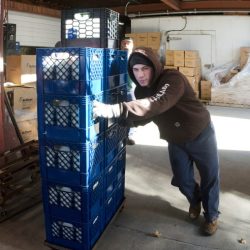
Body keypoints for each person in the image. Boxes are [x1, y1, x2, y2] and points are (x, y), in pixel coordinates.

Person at [93, 47, 220, 236]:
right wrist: (119, 121)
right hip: (175, 138)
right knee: (183, 179)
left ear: (154, 66)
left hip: (200, 132)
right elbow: (146, 116)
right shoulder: (141, 89)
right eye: (135, 70)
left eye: (144, 69)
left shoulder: (172, 79)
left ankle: (212, 216)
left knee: (209, 176)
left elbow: (156, 103)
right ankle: (195, 201)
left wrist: (115, 109)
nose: (140, 75)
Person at [120, 37, 137, 145]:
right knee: (120, 113)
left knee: (132, 113)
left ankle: (130, 135)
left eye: (128, 43)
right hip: (118, 90)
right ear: (121, 45)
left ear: (132, 45)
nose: (126, 45)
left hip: (131, 90)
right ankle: (121, 135)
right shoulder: (116, 58)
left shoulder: (135, 58)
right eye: (124, 43)